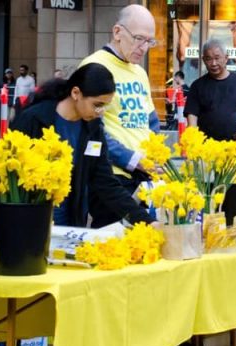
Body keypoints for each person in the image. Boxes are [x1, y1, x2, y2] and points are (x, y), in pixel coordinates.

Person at [1, 63, 157, 346]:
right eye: (97, 104)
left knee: (68, 307)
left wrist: (144, 218)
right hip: (26, 226)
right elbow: (9, 174)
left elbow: (105, 183)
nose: (100, 111)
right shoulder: (34, 120)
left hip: (69, 226)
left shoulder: (92, 128)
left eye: (104, 105)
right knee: (16, 307)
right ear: (75, 94)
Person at [79, 4, 161, 228]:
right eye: (139, 39)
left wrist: (157, 156)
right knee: (112, 238)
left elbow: (150, 121)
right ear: (117, 32)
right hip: (112, 176)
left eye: (149, 42)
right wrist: (133, 160)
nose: (144, 48)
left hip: (144, 175)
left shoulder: (140, 72)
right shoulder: (94, 67)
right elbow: (94, 130)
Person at [185, 39, 236, 140]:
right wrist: (194, 138)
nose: (213, 63)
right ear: (203, 60)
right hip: (206, 147)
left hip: (234, 147)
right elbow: (192, 115)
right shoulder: (197, 86)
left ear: (226, 58)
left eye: (217, 58)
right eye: (209, 59)